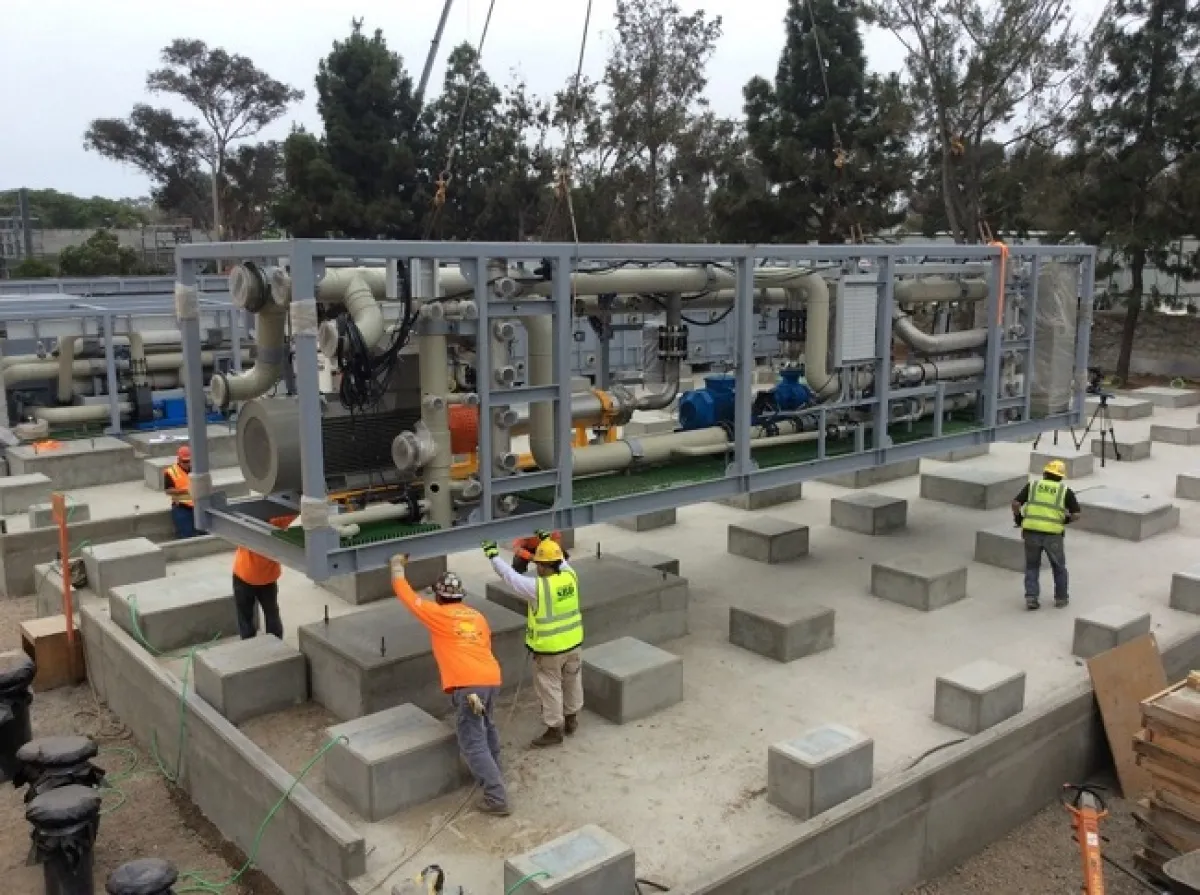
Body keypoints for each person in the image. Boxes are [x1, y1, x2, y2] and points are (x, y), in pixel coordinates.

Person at [389, 554, 511, 816]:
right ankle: (495, 774)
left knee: (472, 741)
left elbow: (406, 595)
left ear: (440, 596)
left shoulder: (438, 614)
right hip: (490, 678)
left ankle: (496, 797)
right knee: (487, 727)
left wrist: (397, 566)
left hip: (468, 686)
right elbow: (485, 645)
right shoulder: (477, 616)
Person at [483, 530, 582, 748]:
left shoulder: (538, 587)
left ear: (546, 566)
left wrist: (492, 555)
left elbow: (510, 577)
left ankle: (554, 729)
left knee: (551, 687)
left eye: (539, 564)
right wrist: (546, 539)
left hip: (550, 650)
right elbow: (560, 559)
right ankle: (572, 718)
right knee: (572, 680)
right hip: (574, 644)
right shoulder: (570, 575)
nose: (536, 567)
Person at [1012, 459, 1081, 611]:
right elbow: (1076, 515)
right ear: (1061, 476)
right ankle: (1061, 598)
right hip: (1053, 535)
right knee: (1058, 567)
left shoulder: (1033, 486)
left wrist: (1019, 518)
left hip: (1031, 532)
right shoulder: (1065, 491)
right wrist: (1063, 520)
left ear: (1044, 473)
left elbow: (1016, 503)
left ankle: (1031, 597)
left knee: (1032, 566)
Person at [232, 546, 283, 639]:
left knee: (245, 617)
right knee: (271, 612)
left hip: (244, 572)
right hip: (268, 575)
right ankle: (276, 644)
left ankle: (250, 645)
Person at [163, 446, 198, 540]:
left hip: (197, 505)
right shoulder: (171, 472)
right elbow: (168, 490)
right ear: (178, 459)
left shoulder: (196, 469)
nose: (187, 464)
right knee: (186, 535)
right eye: (185, 461)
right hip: (182, 507)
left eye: (189, 461)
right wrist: (185, 490)